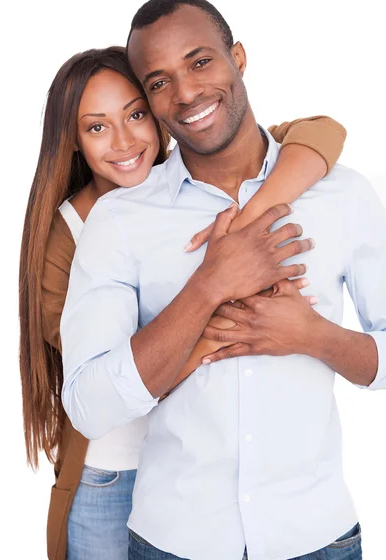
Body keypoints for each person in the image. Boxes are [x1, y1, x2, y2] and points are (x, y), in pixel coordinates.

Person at [19, 47, 346, 560]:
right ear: (74, 143)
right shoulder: (68, 235)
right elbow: (109, 384)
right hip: (114, 473)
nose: (125, 141)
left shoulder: (193, 182)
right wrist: (222, 320)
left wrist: (245, 225)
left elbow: (323, 132)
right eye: (97, 127)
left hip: (194, 483)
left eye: (135, 114)